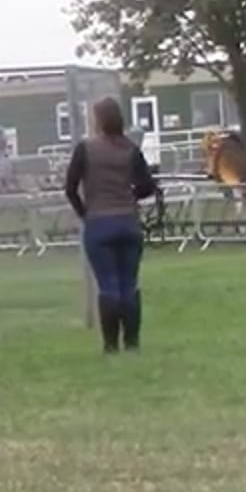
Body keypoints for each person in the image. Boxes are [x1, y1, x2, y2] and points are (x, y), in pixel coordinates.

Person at [65, 97, 158, 353]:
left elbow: (70, 187)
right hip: (128, 222)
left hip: (99, 222)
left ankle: (110, 344)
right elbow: (148, 186)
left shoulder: (85, 149)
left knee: (108, 285)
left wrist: (85, 212)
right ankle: (132, 341)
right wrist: (131, 196)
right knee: (129, 284)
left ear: (98, 120)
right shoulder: (130, 149)